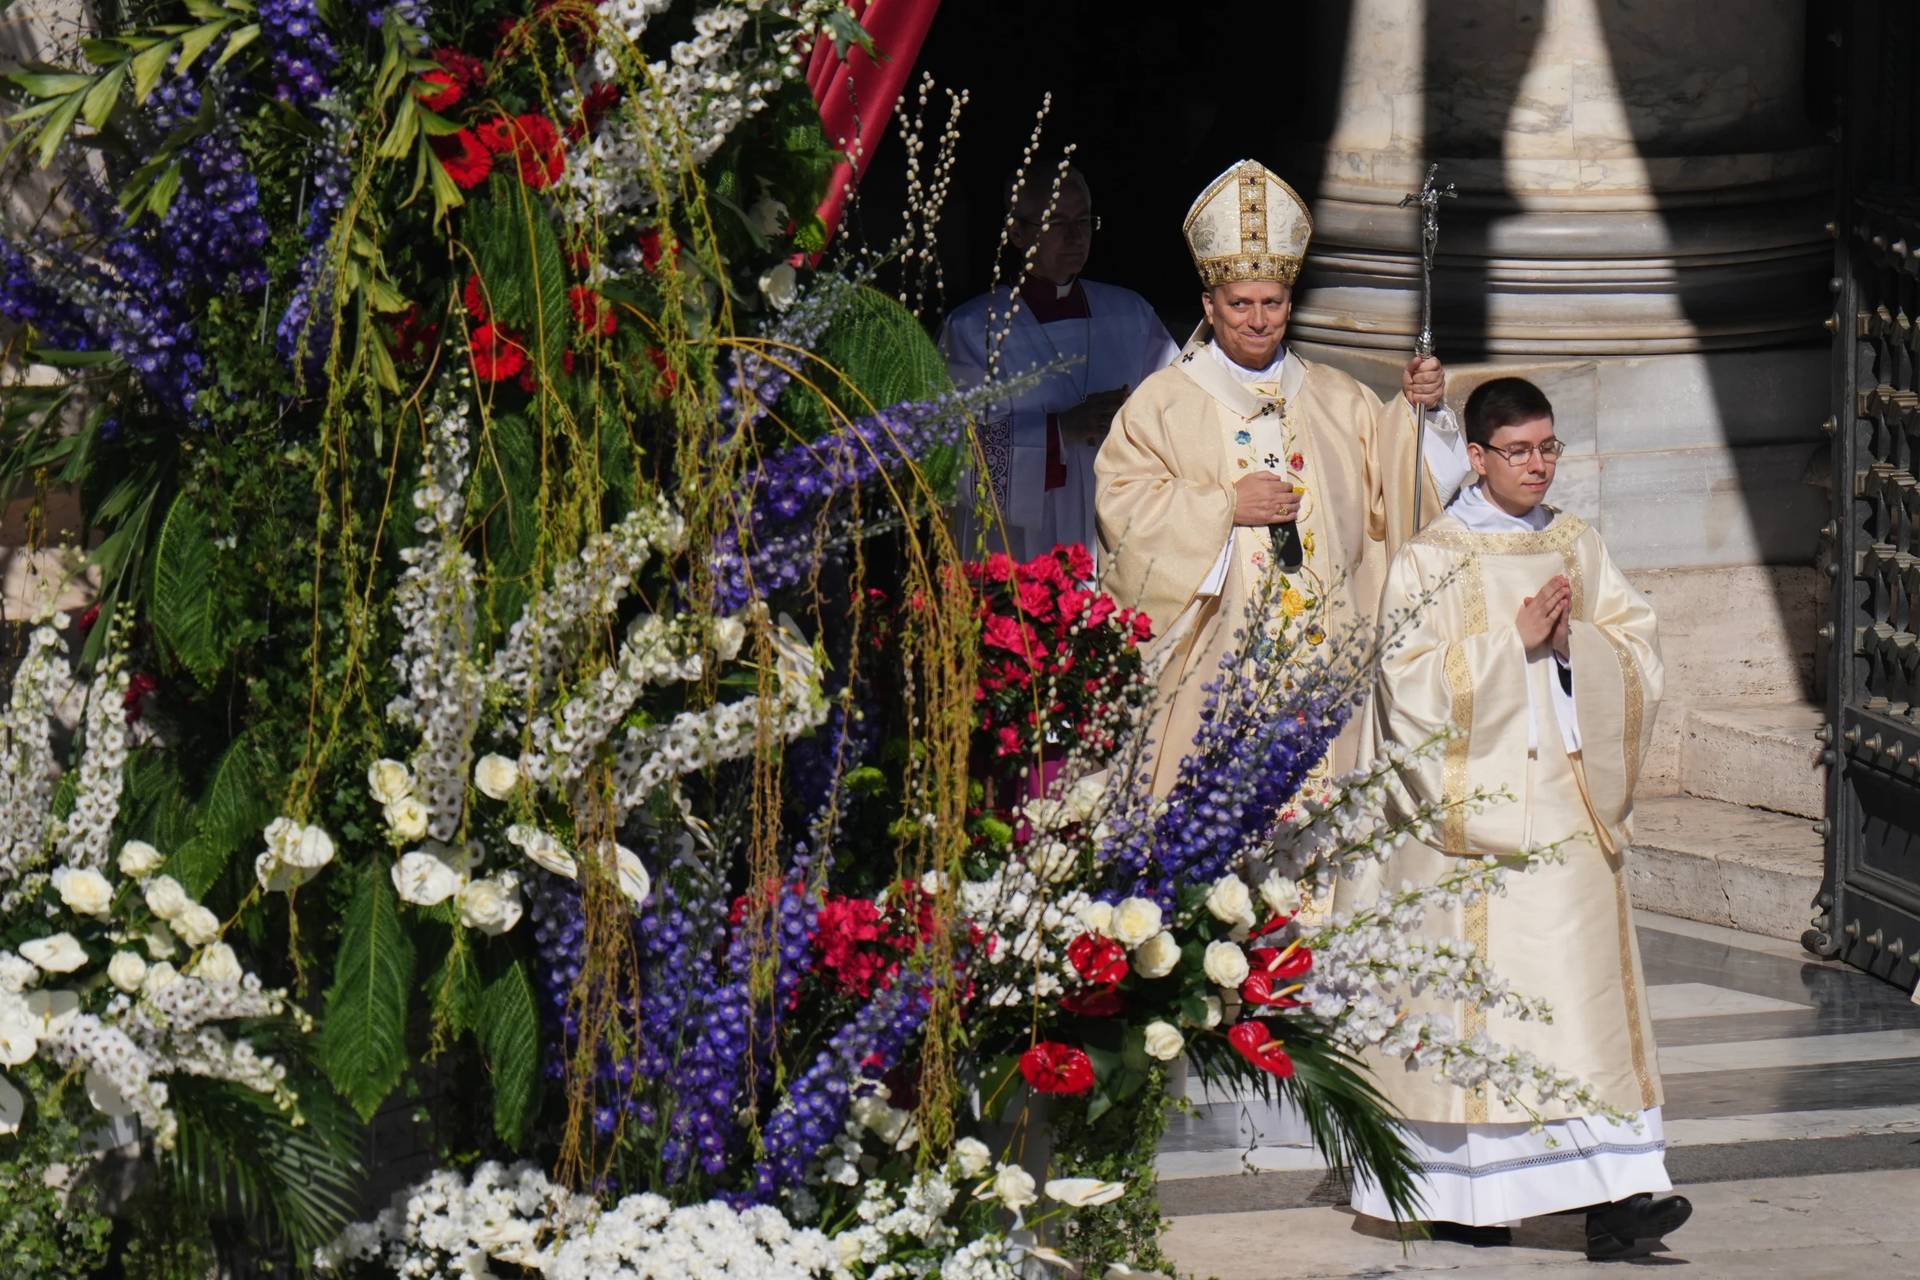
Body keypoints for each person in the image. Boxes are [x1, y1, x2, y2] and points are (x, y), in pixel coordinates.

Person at [1344, 377, 1691, 1261]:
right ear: (1476, 456)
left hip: (1569, 806)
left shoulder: (1579, 544)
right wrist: (1514, 644)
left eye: (1549, 449)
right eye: (1519, 451)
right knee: (1482, 1015)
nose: (1538, 467)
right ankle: (1467, 1194)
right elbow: (1405, 685)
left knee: (1581, 1005)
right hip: (1468, 819)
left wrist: (1581, 645)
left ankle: (1620, 1194)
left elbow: (1639, 648)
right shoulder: (1431, 557)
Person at [1094, 158, 1470, 792]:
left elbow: (1396, 492)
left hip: (1327, 650)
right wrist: (1222, 507)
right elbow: (1122, 509)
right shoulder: (1162, 403)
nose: (1257, 319)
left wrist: (1416, 413)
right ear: (1209, 307)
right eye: (1240, 303)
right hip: (1222, 652)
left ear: (1290, 303)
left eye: (1272, 302)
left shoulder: (1337, 397)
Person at [940, 166, 1179, 565]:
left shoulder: (1130, 315)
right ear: (1017, 233)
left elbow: (1178, 413)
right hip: (1020, 546)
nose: (1076, 235)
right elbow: (952, 454)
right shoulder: (974, 329)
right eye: (1057, 221)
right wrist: (1059, 431)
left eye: (1084, 220)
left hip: (1115, 531)